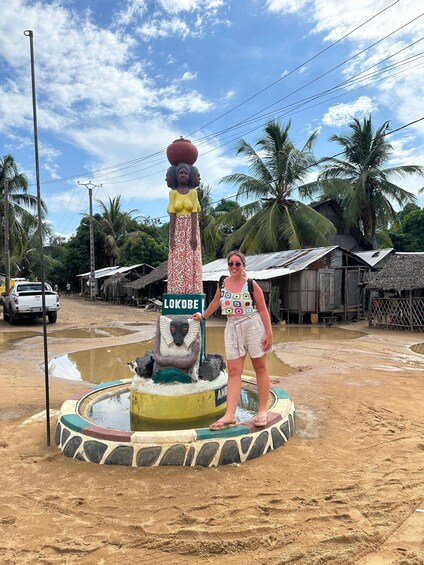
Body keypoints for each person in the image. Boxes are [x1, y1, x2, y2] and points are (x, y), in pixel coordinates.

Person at [192, 250, 273, 430]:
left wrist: (269, 334)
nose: (234, 267)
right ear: (227, 266)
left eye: (237, 264)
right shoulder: (222, 283)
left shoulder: (251, 285)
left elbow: (263, 310)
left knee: (260, 367)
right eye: (231, 264)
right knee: (234, 371)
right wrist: (203, 316)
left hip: (252, 326)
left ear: (243, 266)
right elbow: (215, 303)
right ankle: (230, 415)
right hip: (232, 327)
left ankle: (262, 411)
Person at [167, 162, 202, 294]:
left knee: (191, 260)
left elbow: (194, 213)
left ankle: (192, 291)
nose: (183, 175)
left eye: (185, 173)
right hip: (177, 231)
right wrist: (171, 238)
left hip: (191, 229)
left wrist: (193, 236)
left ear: (189, 176)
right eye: (180, 173)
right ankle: (176, 292)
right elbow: (172, 215)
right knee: (177, 262)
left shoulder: (193, 193)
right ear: (176, 176)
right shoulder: (173, 194)